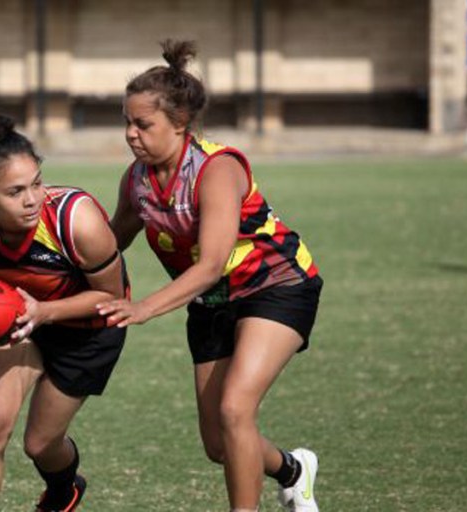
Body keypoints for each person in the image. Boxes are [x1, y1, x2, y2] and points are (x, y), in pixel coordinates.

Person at [96, 40, 324, 512]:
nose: (131, 134)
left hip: (275, 284)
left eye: (143, 124)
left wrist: (143, 308)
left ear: (179, 124)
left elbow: (210, 265)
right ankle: (292, 469)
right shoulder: (136, 179)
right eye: (127, 122)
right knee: (220, 443)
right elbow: (111, 239)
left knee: (235, 409)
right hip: (212, 303)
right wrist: (49, 260)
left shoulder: (217, 170)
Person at [0, 110, 129, 512]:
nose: (32, 199)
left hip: (89, 328)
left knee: (40, 444)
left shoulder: (75, 218)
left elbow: (114, 299)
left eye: (36, 183)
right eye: (15, 192)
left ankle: (65, 488)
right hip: (17, 320)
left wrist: (43, 311)